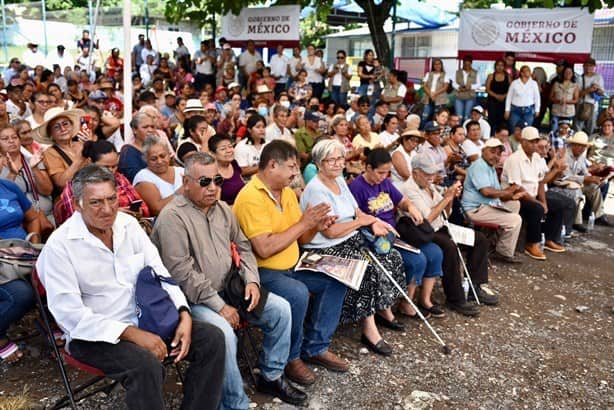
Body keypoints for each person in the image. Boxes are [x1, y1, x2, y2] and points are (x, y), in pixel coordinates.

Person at [36, 165, 225, 410]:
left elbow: (161, 273)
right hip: (93, 335)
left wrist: (183, 313)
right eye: (96, 202)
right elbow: (69, 315)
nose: (107, 209)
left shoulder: (128, 224)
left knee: (212, 338)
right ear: (78, 203)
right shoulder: (60, 246)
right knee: (145, 364)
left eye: (112, 199)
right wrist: (130, 333)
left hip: (147, 319)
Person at [151, 153, 305, 407]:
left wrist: (252, 281)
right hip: (192, 301)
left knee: (281, 310)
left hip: (229, 289)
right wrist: (219, 305)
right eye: (204, 182)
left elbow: (244, 247)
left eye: (217, 180)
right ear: (186, 181)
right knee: (223, 334)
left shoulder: (222, 209)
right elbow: (182, 273)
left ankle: (271, 375)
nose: (213, 188)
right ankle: (235, 403)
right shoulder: (172, 217)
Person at [233, 140, 348, 386]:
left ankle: (316, 346)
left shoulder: (285, 192)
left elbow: (301, 236)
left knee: (337, 278)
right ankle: (291, 358)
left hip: (293, 265)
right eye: (292, 167)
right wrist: (304, 224)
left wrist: (317, 225)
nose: (296, 173)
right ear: (272, 165)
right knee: (297, 293)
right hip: (263, 271)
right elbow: (263, 248)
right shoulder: (250, 197)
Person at [403, 153, 499, 315]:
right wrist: (446, 198)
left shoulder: (429, 185)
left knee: (479, 239)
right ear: (416, 172)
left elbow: (446, 213)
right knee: (449, 247)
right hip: (422, 231)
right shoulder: (409, 189)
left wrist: (451, 197)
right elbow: (427, 219)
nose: (431, 177)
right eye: (427, 174)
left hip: (441, 226)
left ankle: (475, 286)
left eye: (432, 173)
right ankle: (455, 298)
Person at [501, 127, 563, 260]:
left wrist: (544, 201)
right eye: (531, 142)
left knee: (558, 205)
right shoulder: (514, 159)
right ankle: (531, 243)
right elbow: (517, 188)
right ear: (523, 141)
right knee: (536, 209)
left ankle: (549, 238)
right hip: (515, 197)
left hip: (532, 194)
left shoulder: (536, 157)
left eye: (536, 142)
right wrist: (539, 203)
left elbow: (541, 181)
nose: (534, 145)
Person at [53, 140, 149, 226]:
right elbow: (76, 219)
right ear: (90, 162)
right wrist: (115, 213)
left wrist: (138, 211)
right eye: (106, 167)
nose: (111, 171)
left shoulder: (120, 178)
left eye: (114, 166)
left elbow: (144, 208)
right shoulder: (74, 186)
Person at [462, 138, 523, 263]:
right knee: (515, 220)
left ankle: (497, 243)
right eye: (492, 152)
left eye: (499, 154)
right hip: (475, 209)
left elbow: (498, 194)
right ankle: (503, 252)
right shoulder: (479, 165)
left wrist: (511, 195)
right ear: (484, 151)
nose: (496, 156)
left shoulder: (490, 167)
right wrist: (508, 191)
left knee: (514, 204)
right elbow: (486, 192)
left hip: (487, 205)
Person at [0, 177, 39, 365]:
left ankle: (51, 323)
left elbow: (32, 217)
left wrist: (32, 244)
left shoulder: (7, 186)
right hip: (2, 262)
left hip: (23, 253)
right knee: (21, 295)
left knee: (55, 278)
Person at [36, 107, 89, 199]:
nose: (63, 129)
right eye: (56, 127)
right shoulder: (50, 153)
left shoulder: (82, 144)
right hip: (71, 198)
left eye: (65, 124)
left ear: (72, 126)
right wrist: (80, 158)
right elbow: (61, 183)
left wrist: (91, 146)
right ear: (50, 134)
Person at [562, 132, 613, 227]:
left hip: (577, 182)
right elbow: (565, 176)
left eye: (584, 146)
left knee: (594, 187)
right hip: (563, 183)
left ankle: (599, 215)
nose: (582, 149)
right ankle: (576, 221)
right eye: (580, 146)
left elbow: (584, 171)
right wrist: (586, 178)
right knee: (575, 190)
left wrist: (594, 178)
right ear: (573, 145)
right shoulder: (565, 155)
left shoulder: (581, 155)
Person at [133, 135, 183, 216]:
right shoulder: (143, 177)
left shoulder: (181, 171)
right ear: (146, 159)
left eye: (162, 156)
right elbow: (157, 209)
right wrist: (183, 190)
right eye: (153, 159)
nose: (159, 161)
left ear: (169, 154)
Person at [208, 134, 245, 206]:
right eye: (223, 149)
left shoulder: (234, 164)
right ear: (213, 154)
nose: (229, 151)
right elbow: (214, 205)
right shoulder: (212, 173)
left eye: (230, 146)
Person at [118, 112, 154, 182]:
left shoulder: (154, 148)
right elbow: (136, 178)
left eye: (152, 127)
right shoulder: (129, 151)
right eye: (145, 127)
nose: (150, 130)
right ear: (134, 130)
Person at [505, 65, 541, 132]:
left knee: (527, 130)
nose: (529, 72)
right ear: (522, 73)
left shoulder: (533, 83)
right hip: (515, 109)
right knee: (513, 129)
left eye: (529, 71)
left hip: (529, 110)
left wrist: (537, 110)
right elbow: (509, 97)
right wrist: (507, 110)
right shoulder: (514, 83)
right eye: (527, 71)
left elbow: (537, 97)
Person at [576, 58, 604, 135]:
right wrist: (589, 90)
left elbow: (602, 93)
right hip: (581, 105)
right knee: (578, 128)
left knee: (590, 129)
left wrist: (597, 89)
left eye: (591, 66)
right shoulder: (579, 78)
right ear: (583, 66)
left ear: (594, 67)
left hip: (593, 106)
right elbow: (577, 94)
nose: (588, 68)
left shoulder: (598, 77)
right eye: (587, 66)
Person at [235, 114, 267, 178]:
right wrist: (262, 166)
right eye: (258, 127)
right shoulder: (241, 146)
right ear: (249, 130)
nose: (261, 130)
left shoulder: (269, 144)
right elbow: (241, 171)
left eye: (263, 127)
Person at [549, 65, 579, 132]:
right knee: (554, 129)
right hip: (556, 111)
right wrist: (558, 100)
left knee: (565, 131)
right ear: (563, 73)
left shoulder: (575, 85)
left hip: (568, 112)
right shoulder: (556, 84)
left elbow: (576, 100)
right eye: (566, 72)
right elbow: (550, 97)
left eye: (570, 72)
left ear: (572, 74)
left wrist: (566, 101)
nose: (568, 74)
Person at [420, 58, 451, 124]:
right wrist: (430, 94)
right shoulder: (428, 74)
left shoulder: (445, 75)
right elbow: (424, 86)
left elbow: (445, 87)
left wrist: (434, 94)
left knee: (437, 118)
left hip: (440, 99)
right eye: (435, 64)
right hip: (428, 97)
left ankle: (435, 132)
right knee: (424, 117)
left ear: (441, 65)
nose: (437, 65)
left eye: (439, 64)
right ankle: (423, 132)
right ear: (433, 66)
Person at [454, 55, 480, 122]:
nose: (467, 66)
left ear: (471, 64)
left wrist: (470, 87)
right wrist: (458, 87)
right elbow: (454, 83)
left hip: (470, 97)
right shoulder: (458, 72)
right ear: (463, 63)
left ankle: (465, 131)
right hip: (459, 96)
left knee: (467, 117)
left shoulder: (475, 72)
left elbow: (478, 84)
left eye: (468, 64)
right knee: (459, 117)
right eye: (465, 64)